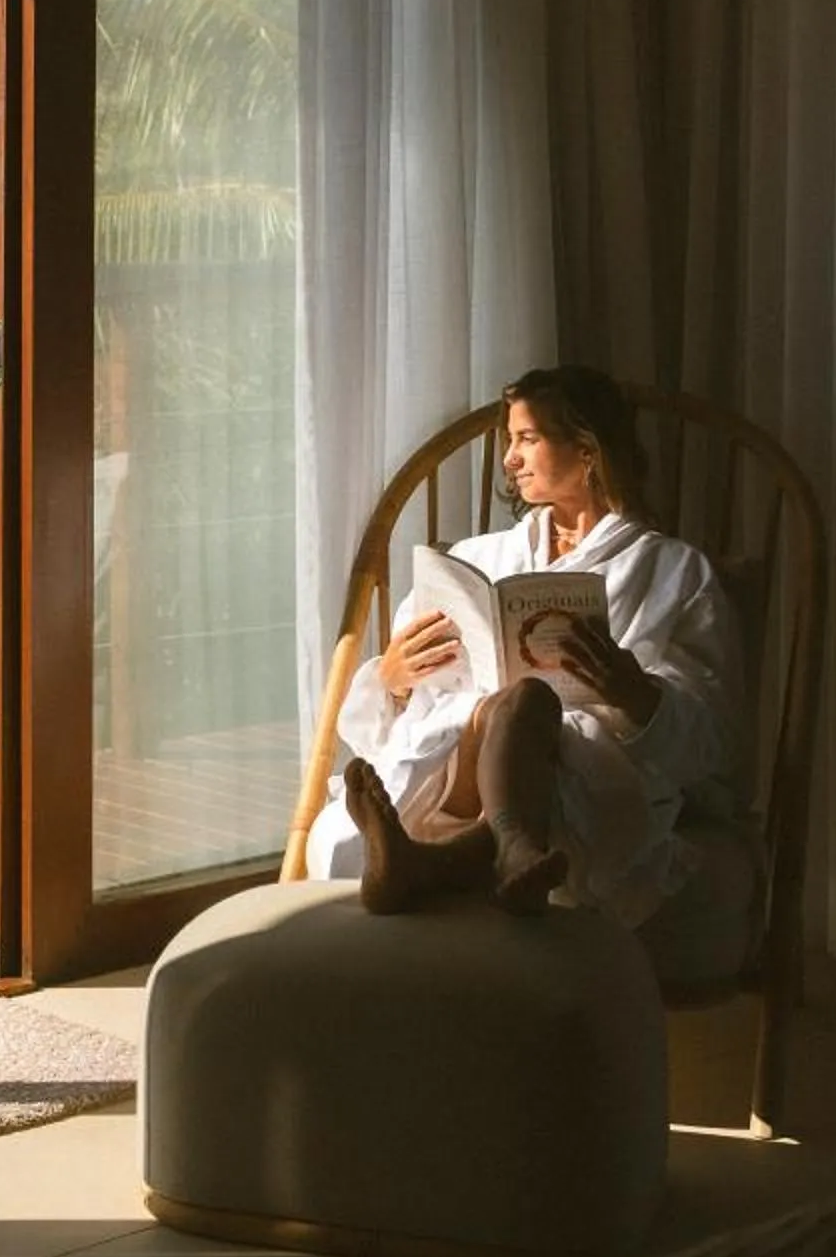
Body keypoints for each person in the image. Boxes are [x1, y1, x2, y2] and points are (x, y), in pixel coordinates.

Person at [307, 367, 744, 923]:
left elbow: (716, 743)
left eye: (526, 439)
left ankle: (438, 860)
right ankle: (508, 851)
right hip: (454, 776)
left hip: (577, 776)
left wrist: (638, 696)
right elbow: (389, 718)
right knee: (510, 703)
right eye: (508, 441)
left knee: (526, 701)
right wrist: (391, 680)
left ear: (587, 448)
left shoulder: (673, 571)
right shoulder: (477, 558)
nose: (509, 460)